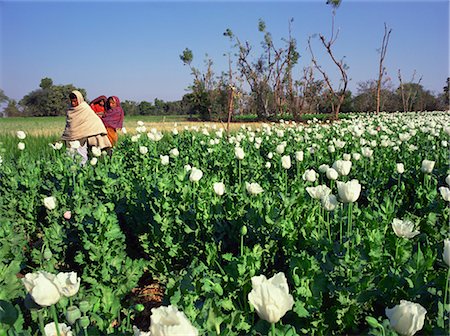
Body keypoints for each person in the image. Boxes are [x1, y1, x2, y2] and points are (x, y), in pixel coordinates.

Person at [61, 90, 111, 164]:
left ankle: (82, 169)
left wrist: (98, 131)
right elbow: (69, 125)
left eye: (75, 101)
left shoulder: (85, 108)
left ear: (80, 99)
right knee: (70, 155)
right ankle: (70, 172)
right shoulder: (70, 110)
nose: (73, 103)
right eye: (72, 101)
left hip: (82, 136)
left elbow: (94, 120)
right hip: (71, 136)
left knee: (81, 153)